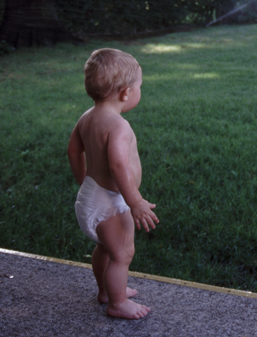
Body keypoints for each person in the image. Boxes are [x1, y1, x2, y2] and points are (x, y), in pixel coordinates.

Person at [68, 48, 159, 319]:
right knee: (122, 254)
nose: (140, 90)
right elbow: (118, 165)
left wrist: (83, 180)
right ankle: (117, 303)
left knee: (106, 248)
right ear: (125, 93)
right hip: (111, 202)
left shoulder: (87, 117)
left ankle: (106, 291)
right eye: (139, 86)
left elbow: (73, 150)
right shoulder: (119, 126)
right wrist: (136, 202)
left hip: (91, 196)